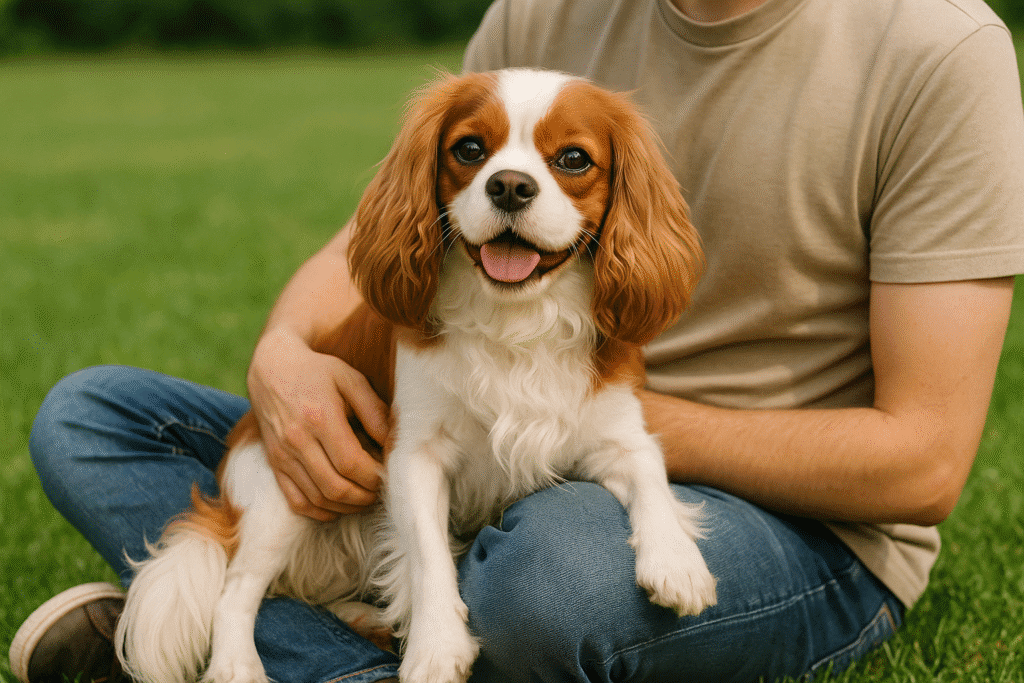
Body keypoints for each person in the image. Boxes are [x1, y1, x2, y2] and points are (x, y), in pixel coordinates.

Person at [11, 0, 1024, 681]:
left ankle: (293, 650)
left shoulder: (938, 47)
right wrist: (283, 354)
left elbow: (922, 462)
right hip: (490, 430)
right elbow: (381, 228)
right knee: (91, 416)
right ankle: (354, 633)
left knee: (541, 577)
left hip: (779, 516)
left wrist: (575, 414)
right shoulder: (546, 8)